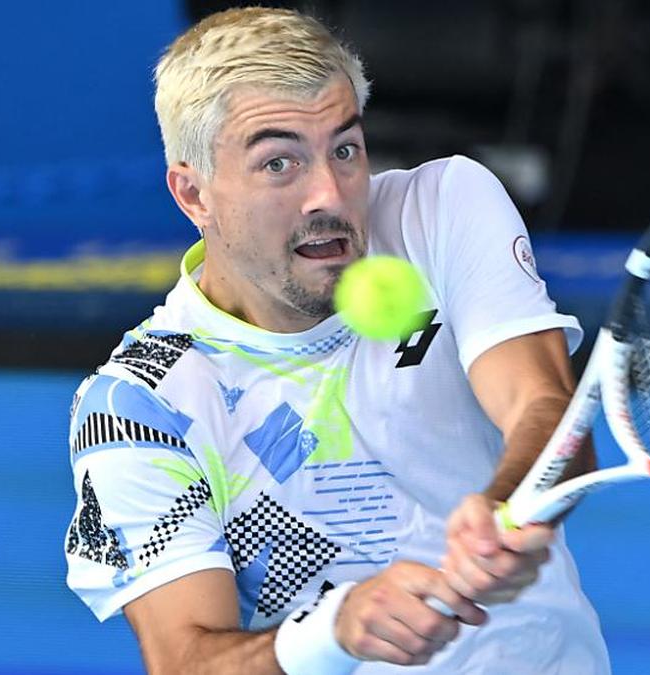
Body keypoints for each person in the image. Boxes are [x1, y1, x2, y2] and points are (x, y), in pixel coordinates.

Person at [64, 6, 609, 673]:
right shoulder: (142, 403)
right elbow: (184, 658)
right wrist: (333, 631)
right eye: (279, 163)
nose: (329, 192)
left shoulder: (440, 209)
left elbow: (548, 410)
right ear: (193, 193)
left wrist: (509, 506)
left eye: (345, 149)